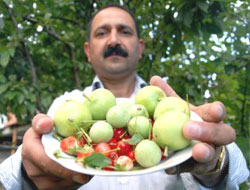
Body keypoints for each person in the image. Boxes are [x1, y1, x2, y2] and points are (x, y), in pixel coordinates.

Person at [0, 4, 249, 190]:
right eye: (102, 33)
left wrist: (216, 165)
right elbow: (12, 174)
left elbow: (236, 173)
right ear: (88, 51)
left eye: (124, 31)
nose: (114, 39)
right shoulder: (66, 106)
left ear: (139, 47)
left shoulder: (173, 107)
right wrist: (27, 173)